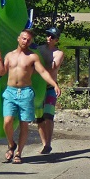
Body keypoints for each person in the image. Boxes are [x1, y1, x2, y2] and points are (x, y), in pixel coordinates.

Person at [0, 29, 61, 165]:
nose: (25, 41)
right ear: (18, 39)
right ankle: (11, 144)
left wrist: (54, 84)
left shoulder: (32, 57)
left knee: (24, 124)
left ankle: (18, 153)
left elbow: (43, 72)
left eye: (28, 40)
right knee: (7, 121)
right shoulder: (9, 56)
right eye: (23, 38)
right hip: (10, 92)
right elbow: (1, 72)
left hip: (26, 93)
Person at [35, 27, 65, 155]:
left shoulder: (59, 53)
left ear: (56, 40)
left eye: (52, 37)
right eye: (47, 35)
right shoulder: (39, 49)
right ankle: (44, 144)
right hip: (38, 87)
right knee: (40, 117)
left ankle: (48, 143)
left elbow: (53, 67)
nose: (49, 38)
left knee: (48, 115)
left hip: (50, 87)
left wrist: (40, 64)